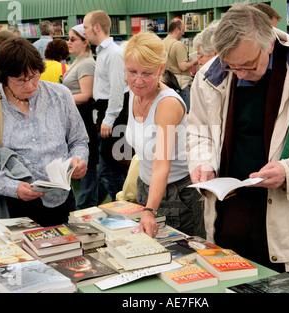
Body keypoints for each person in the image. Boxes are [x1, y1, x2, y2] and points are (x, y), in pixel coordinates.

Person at [187, 3, 289, 278]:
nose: (240, 74)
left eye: (249, 66)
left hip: (287, 211)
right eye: (231, 66)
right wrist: (203, 161)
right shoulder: (209, 75)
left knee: (283, 282)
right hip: (229, 209)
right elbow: (198, 130)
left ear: (268, 45)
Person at [0, 37, 89, 227]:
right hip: (13, 205)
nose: (29, 86)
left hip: (62, 199)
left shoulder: (60, 95)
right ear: (4, 78)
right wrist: (13, 187)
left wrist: (79, 160)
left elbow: (79, 140)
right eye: (20, 80)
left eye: (34, 76)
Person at [123, 32, 204, 238]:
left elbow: (161, 164)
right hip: (147, 188)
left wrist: (150, 210)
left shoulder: (167, 104)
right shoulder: (134, 92)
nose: (138, 81)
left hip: (177, 194)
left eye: (147, 73)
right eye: (132, 72)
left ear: (160, 69)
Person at [83, 10, 130, 202]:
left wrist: (108, 120)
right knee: (109, 170)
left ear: (96, 27)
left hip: (115, 118)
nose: (84, 31)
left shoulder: (113, 54)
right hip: (108, 115)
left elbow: (117, 90)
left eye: (86, 27)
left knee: (114, 171)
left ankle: (126, 210)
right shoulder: (103, 52)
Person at [62, 24, 99, 210]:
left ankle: (86, 206)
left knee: (87, 165)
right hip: (76, 116)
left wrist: (61, 98)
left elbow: (86, 94)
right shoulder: (77, 62)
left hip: (84, 119)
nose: (68, 42)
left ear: (85, 42)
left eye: (73, 39)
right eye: (68, 39)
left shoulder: (86, 64)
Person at [163, 18, 198, 112]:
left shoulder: (162, 43)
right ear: (176, 30)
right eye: (182, 30)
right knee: (186, 114)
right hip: (181, 85)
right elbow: (183, 66)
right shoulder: (178, 45)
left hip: (167, 83)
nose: (183, 33)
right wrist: (195, 61)